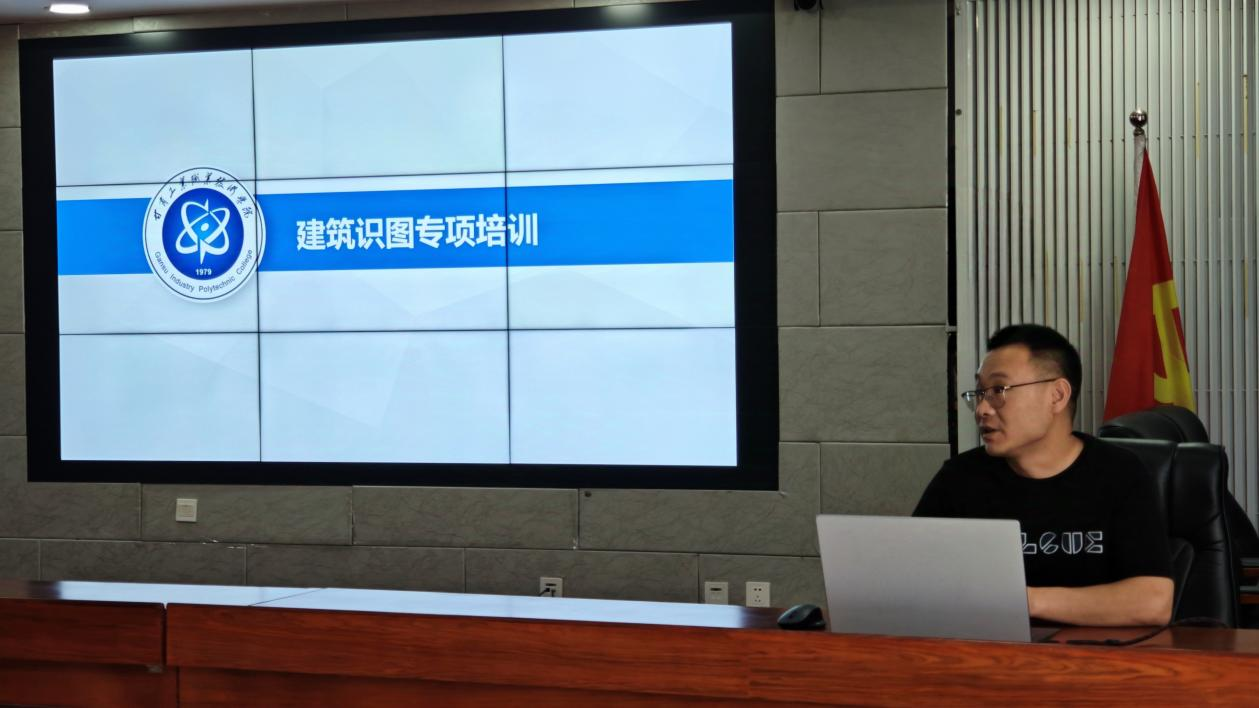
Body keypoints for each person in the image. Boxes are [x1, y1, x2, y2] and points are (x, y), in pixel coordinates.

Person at [914, 324, 1173, 627]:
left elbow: (1153, 602)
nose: (982, 409)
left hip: (1094, 652)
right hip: (987, 648)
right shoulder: (960, 478)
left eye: (998, 391)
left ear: (1057, 396)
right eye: (980, 393)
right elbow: (909, 579)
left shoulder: (1119, 473)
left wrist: (1025, 601)